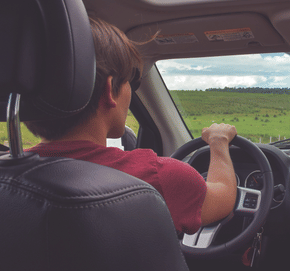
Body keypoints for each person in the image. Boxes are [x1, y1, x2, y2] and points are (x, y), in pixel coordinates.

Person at [24, 17, 237, 235]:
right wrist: (218, 142)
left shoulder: (9, 177)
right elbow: (224, 197)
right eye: (130, 81)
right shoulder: (157, 178)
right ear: (110, 90)